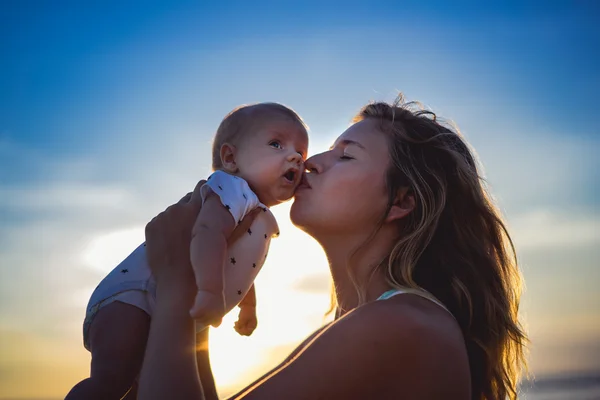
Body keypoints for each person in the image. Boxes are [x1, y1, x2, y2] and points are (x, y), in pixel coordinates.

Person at [139, 96, 528, 400]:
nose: (310, 163)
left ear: (400, 202)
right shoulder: (361, 324)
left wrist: (175, 287)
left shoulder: (399, 325)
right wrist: (193, 306)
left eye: (346, 156)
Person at [66, 103, 309, 400]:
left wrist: (248, 306)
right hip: (134, 296)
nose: (295, 158)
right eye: (276, 144)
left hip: (166, 303)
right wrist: (209, 291)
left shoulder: (253, 211)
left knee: (139, 386)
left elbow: (239, 263)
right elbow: (207, 235)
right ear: (230, 158)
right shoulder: (231, 188)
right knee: (111, 380)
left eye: (301, 153)